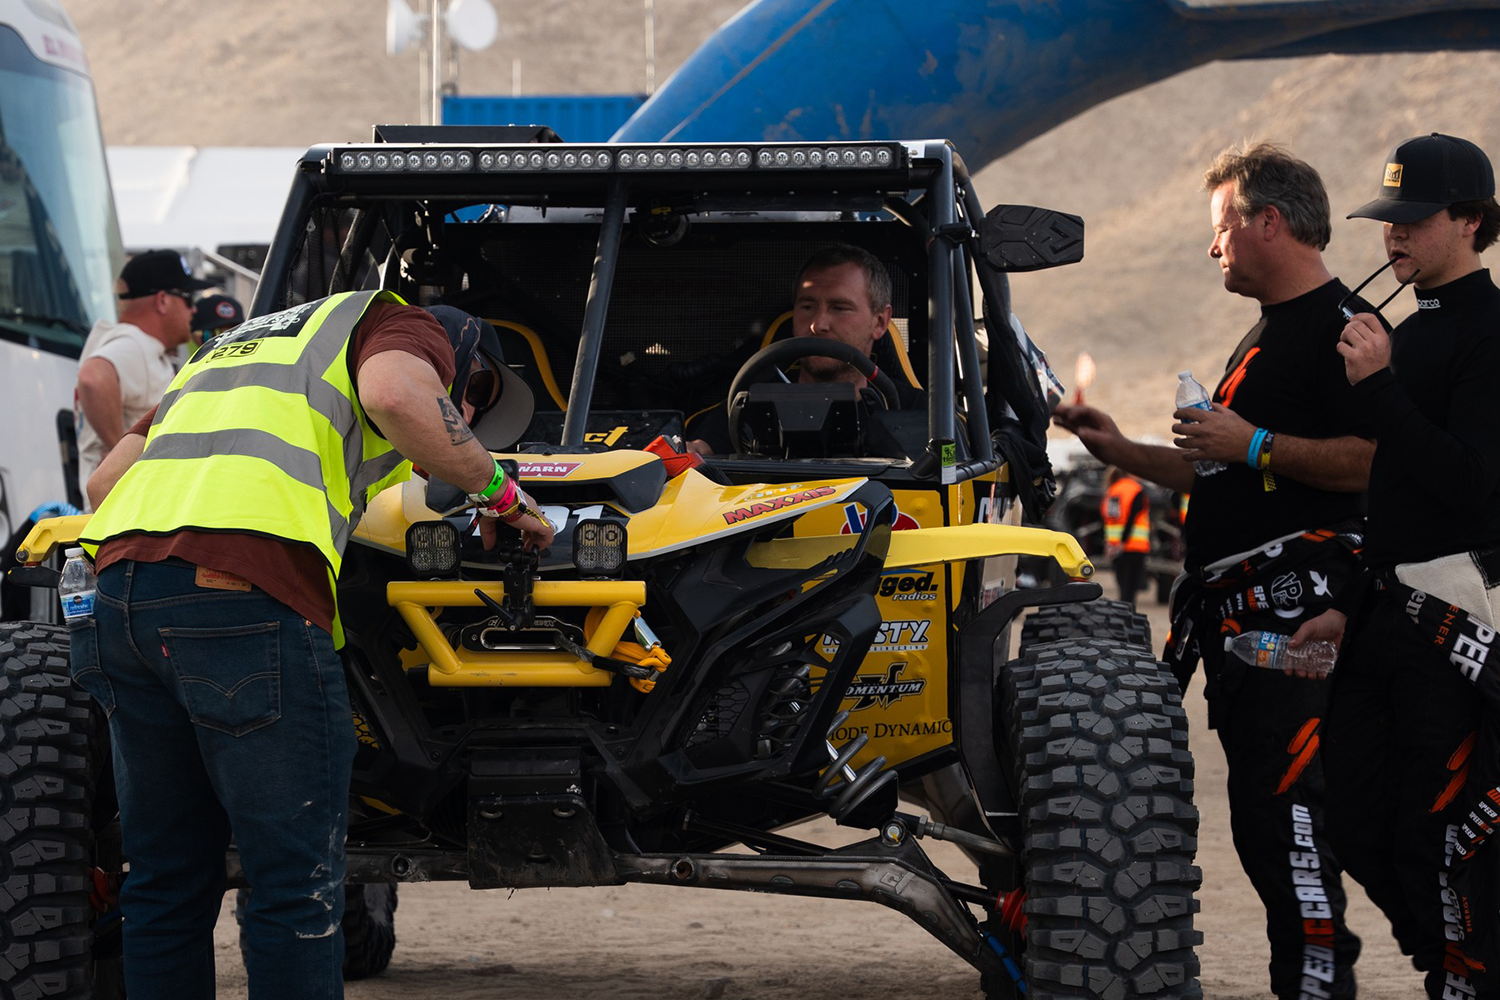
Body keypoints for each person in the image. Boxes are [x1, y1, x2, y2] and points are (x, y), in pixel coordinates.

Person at [73, 291, 553, 999]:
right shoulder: (398, 322)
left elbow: (104, 481)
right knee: (292, 887)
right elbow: (395, 394)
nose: (471, 417)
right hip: (244, 606)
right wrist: (501, 494)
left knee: (167, 880)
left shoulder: (229, 353)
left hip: (122, 606)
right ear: (455, 355)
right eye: (474, 391)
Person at [1053, 141, 1374, 1000]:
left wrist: (1255, 442)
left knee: (1293, 824)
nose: (1213, 246)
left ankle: (1317, 989)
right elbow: (1225, 472)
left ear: (1270, 222)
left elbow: (1378, 463)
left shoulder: (1346, 332)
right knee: (1269, 824)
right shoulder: (1267, 334)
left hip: (1298, 616)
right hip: (1240, 620)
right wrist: (1119, 447)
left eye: (1222, 226)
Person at [1296, 132, 1500, 1000]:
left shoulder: (1490, 334)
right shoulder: (1410, 334)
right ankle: (1447, 966)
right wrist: (1347, 596)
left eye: (1414, 220)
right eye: (1387, 221)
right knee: (1351, 815)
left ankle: (1467, 979)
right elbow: (1390, 493)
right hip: (1383, 611)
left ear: (1471, 221)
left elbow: (1475, 489)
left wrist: (1379, 391)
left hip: (1454, 620)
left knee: (1447, 829)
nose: (1395, 237)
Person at [685, 243, 921, 455]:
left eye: (839, 308)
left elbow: (951, 473)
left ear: (879, 322)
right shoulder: (744, 408)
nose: (817, 325)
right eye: (808, 306)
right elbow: (698, 451)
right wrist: (693, 451)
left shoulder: (922, 414)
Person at [74, 250, 212, 506]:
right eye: (187, 298)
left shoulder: (134, 343)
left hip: (121, 515)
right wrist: (121, 453)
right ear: (162, 301)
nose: (194, 309)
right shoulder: (134, 344)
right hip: (121, 516)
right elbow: (93, 377)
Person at [1099, 466, 1150, 607]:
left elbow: (1108, 518)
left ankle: (1122, 613)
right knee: (1130, 589)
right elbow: (1132, 518)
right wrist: (1124, 540)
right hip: (1134, 546)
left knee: (1122, 587)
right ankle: (1129, 616)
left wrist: (1112, 543)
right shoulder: (1136, 490)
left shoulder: (1112, 490)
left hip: (1114, 547)